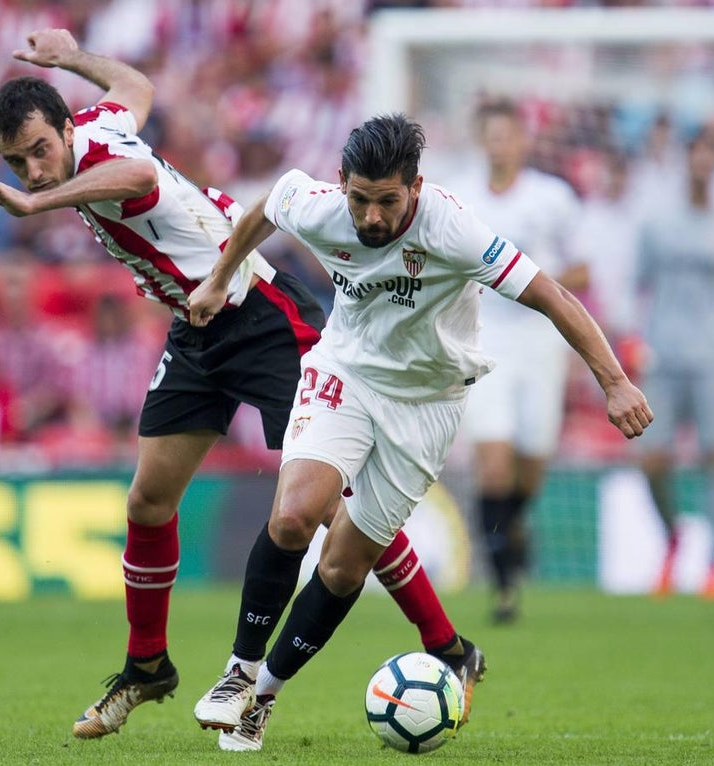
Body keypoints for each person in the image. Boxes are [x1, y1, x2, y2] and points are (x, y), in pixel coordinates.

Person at [0, 28, 478, 741]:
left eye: (39, 151)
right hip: (196, 324)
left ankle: (449, 646)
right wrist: (72, 58)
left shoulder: (103, 157)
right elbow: (136, 89)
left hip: (260, 316)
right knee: (148, 501)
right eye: (17, 163)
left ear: (62, 129)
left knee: (336, 510)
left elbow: (140, 181)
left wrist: (34, 205)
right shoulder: (96, 122)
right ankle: (148, 666)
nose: (33, 169)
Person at [187, 113, 651, 752]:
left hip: (428, 404)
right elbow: (267, 207)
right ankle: (236, 673)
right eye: (360, 199)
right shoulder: (318, 204)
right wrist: (219, 277)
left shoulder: (455, 229)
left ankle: (263, 695)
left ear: (416, 187)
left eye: (388, 201)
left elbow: (553, 297)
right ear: (341, 182)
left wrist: (615, 381)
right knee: (295, 515)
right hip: (345, 370)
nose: (371, 218)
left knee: (347, 565)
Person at [452, 99, 588, 623]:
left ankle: (511, 528)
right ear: (480, 139)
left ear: (523, 140)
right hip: (483, 339)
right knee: (494, 458)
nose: (499, 144)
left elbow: (582, 270)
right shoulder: (459, 196)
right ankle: (505, 583)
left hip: (540, 339)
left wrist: (528, 281)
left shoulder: (552, 198)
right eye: (490, 134)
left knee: (531, 461)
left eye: (507, 134)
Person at [636, 130, 714, 599]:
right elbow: (636, 285)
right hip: (662, 354)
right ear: (686, 163)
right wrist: (630, 342)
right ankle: (672, 536)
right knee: (652, 457)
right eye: (696, 157)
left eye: (710, 157)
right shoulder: (657, 224)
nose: (702, 166)